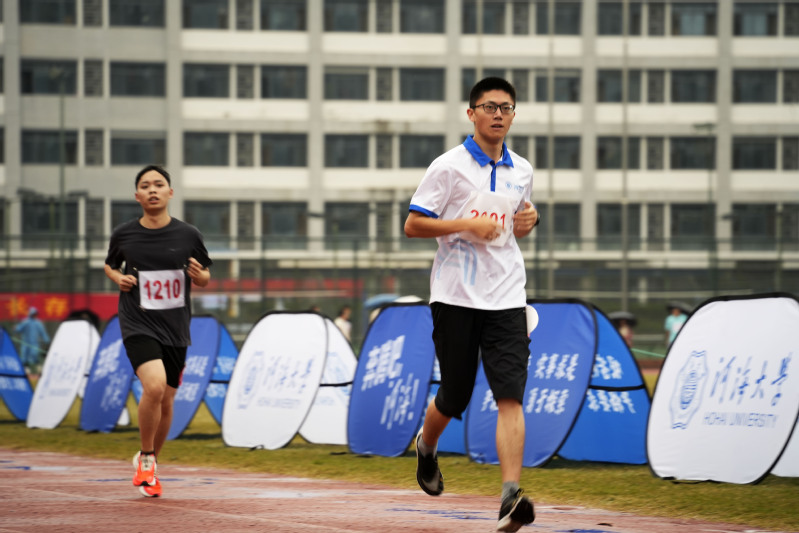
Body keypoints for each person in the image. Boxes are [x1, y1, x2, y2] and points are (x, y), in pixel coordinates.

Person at [404, 77, 539, 532]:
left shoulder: (523, 169)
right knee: (455, 393)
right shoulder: (447, 167)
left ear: (513, 115)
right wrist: (466, 224)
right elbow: (413, 225)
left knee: (510, 395)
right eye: (489, 106)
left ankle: (510, 496)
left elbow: (517, 219)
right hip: (456, 295)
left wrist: (530, 218)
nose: (498, 114)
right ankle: (426, 447)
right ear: (472, 113)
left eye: (506, 107)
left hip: (507, 295)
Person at [104, 165, 212, 498]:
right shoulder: (124, 234)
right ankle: (148, 457)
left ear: (170, 192)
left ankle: (149, 464)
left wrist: (199, 276)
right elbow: (109, 264)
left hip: (175, 326)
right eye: (146, 185)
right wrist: (117, 278)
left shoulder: (188, 234)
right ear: (137, 196)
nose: (153, 190)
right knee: (153, 385)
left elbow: (205, 276)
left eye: (159, 184)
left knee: (166, 399)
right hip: (137, 321)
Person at [14, 307, 50, 373]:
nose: (34, 315)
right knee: (24, 356)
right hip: (25, 343)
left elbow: (43, 332)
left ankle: (38, 368)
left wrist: (47, 340)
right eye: (33, 314)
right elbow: (19, 329)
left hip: (34, 343)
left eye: (35, 314)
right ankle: (26, 369)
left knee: (35, 355)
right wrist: (16, 328)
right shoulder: (25, 322)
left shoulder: (38, 323)